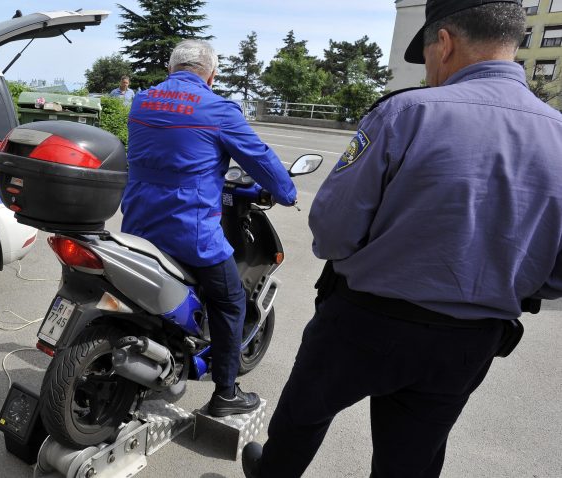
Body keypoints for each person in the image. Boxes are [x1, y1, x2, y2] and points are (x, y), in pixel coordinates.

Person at [242, 1, 562, 477]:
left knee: (301, 421)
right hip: (469, 340)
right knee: (411, 458)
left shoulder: (406, 112)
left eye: (428, 53)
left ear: (446, 42)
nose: (430, 69)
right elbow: (555, 277)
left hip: (365, 320)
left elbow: (332, 231)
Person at [121, 39, 297, 417]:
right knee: (232, 300)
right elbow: (260, 157)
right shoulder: (217, 108)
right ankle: (226, 395)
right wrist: (286, 191)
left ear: (171, 69)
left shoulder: (141, 101)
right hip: (190, 233)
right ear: (211, 75)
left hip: (136, 226)